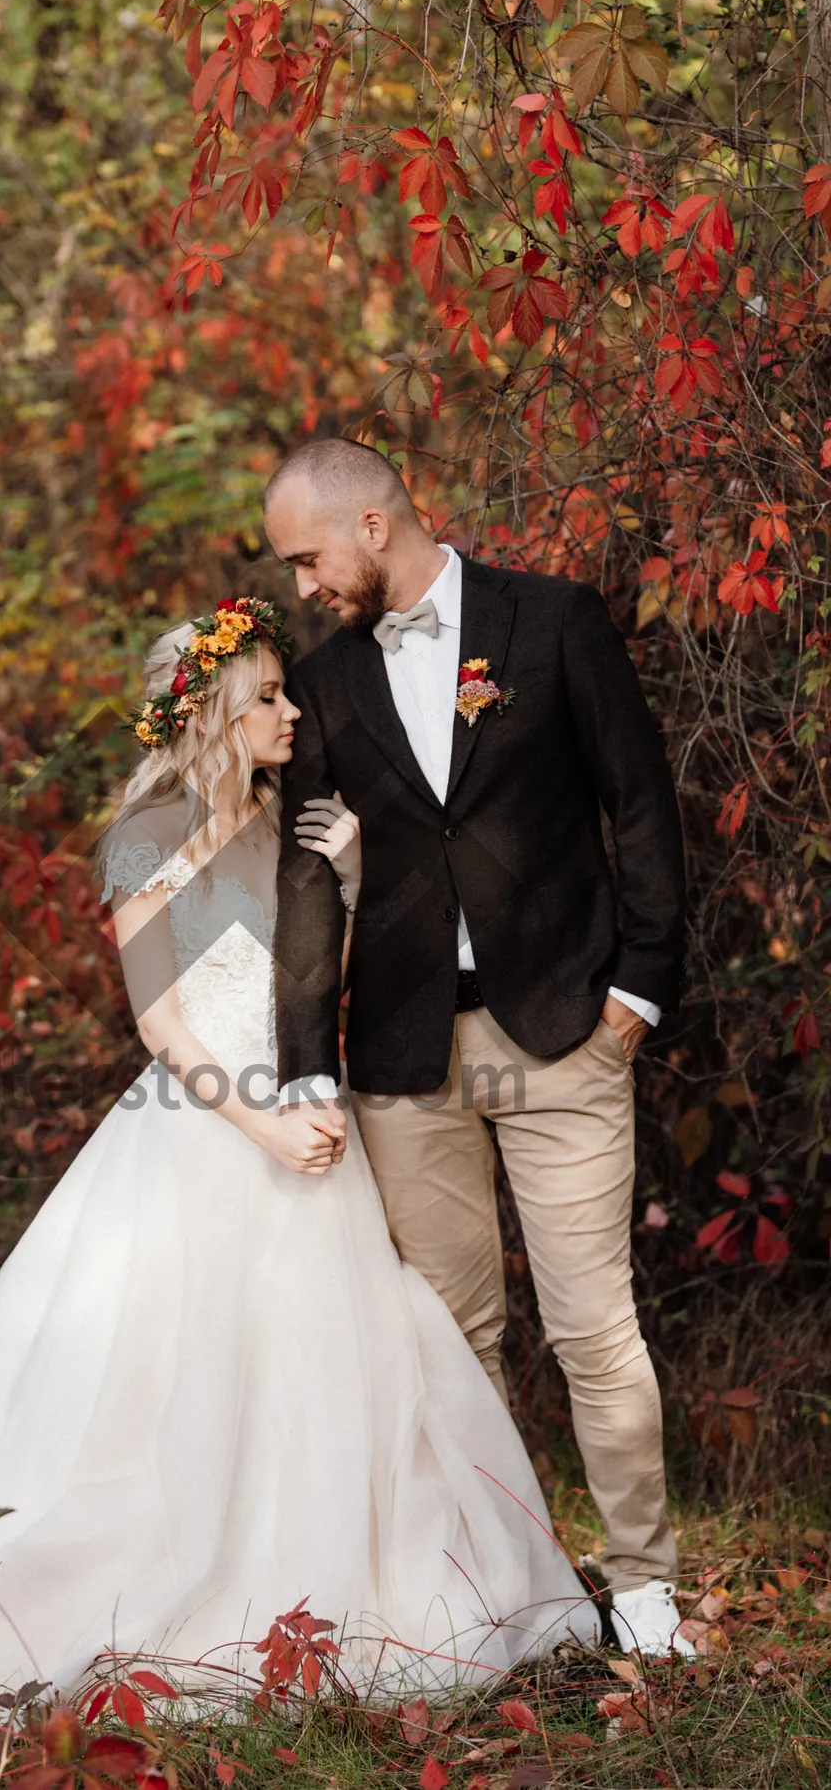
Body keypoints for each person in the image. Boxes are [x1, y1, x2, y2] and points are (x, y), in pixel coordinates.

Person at [0, 596, 600, 1735]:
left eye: (288, 693)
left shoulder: (297, 821)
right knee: (157, 1379)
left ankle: (326, 1578)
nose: (294, 713)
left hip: (305, 1122)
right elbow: (162, 1027)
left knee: (332, 1368)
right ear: (215, 717)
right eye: (271, 700)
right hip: (204, 1128)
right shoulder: (147, 836)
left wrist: (343, 880)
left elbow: (311, 997)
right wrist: (266, 1129)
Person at [265, 438, 692, 1659]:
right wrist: (307, 1059)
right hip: (405, 1058)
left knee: (592, 1328)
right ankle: (505, 1592)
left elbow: (640, 802)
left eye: (307, 557)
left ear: (373, 528)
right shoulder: (328, 678)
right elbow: (309, 874)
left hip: (565, 1029)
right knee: (452, 1340)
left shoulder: (552, 621)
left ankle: (647, 1590)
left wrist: (641, 989)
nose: (303, 584)